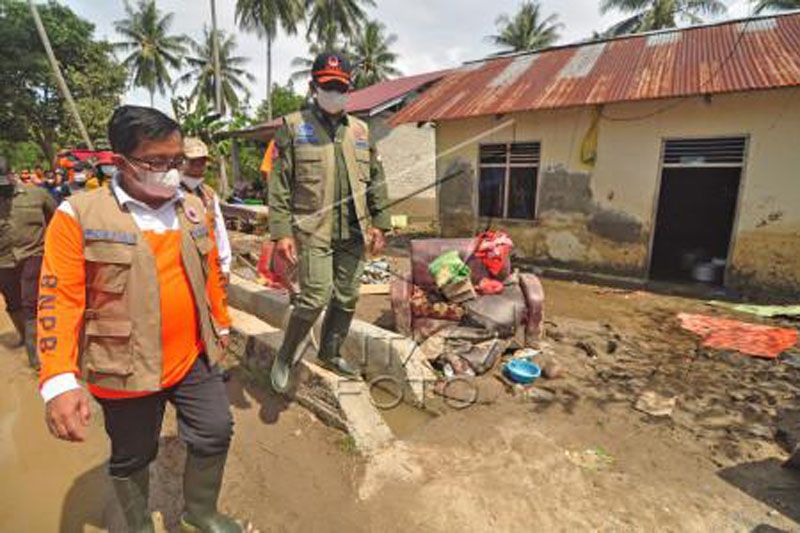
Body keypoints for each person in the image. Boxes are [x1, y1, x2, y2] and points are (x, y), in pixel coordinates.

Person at [38, 106, 244, 532]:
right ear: (121, 161)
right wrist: (58, 381)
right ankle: (137, 525)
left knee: (215, 430)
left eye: (176, 161)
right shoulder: (79, 215)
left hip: (192, 356)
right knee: (133, 453)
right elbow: (58, 299)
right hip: (123, 365)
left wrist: (220, 327)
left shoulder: (191, 208)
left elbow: (212, 277)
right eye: (156, 162)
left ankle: (200, 514)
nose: (170, 172)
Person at [267, 52, 392, 393]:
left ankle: (330, 352)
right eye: (327, 86)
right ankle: (286, 353)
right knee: (314, 296)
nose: (333, 93)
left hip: (354, 230)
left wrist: (381, 223)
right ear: (313, 86)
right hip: (313, 229)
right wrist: (280, 232)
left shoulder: (362, 131)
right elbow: (278, 185)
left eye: (340, 87)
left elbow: (377, 181)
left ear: (349, 89)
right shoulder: (293, 128)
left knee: (348, 296)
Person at [0, 156, 56, 368]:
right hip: (3, 261)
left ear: (11, 176)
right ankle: (25, 338)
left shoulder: (36, 194)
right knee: (13, 302)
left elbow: (57, 219)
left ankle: (37, 356)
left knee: (31, 303)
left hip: (33, 254)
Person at [180, 137, 232, 280]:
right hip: (184, 263)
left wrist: (225, 264)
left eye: (202, 161)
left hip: (210, 260)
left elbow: (219, 230)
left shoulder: (208, 194)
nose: (199, 166)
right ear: (180, 161)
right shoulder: (172, 194)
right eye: (193, 161)